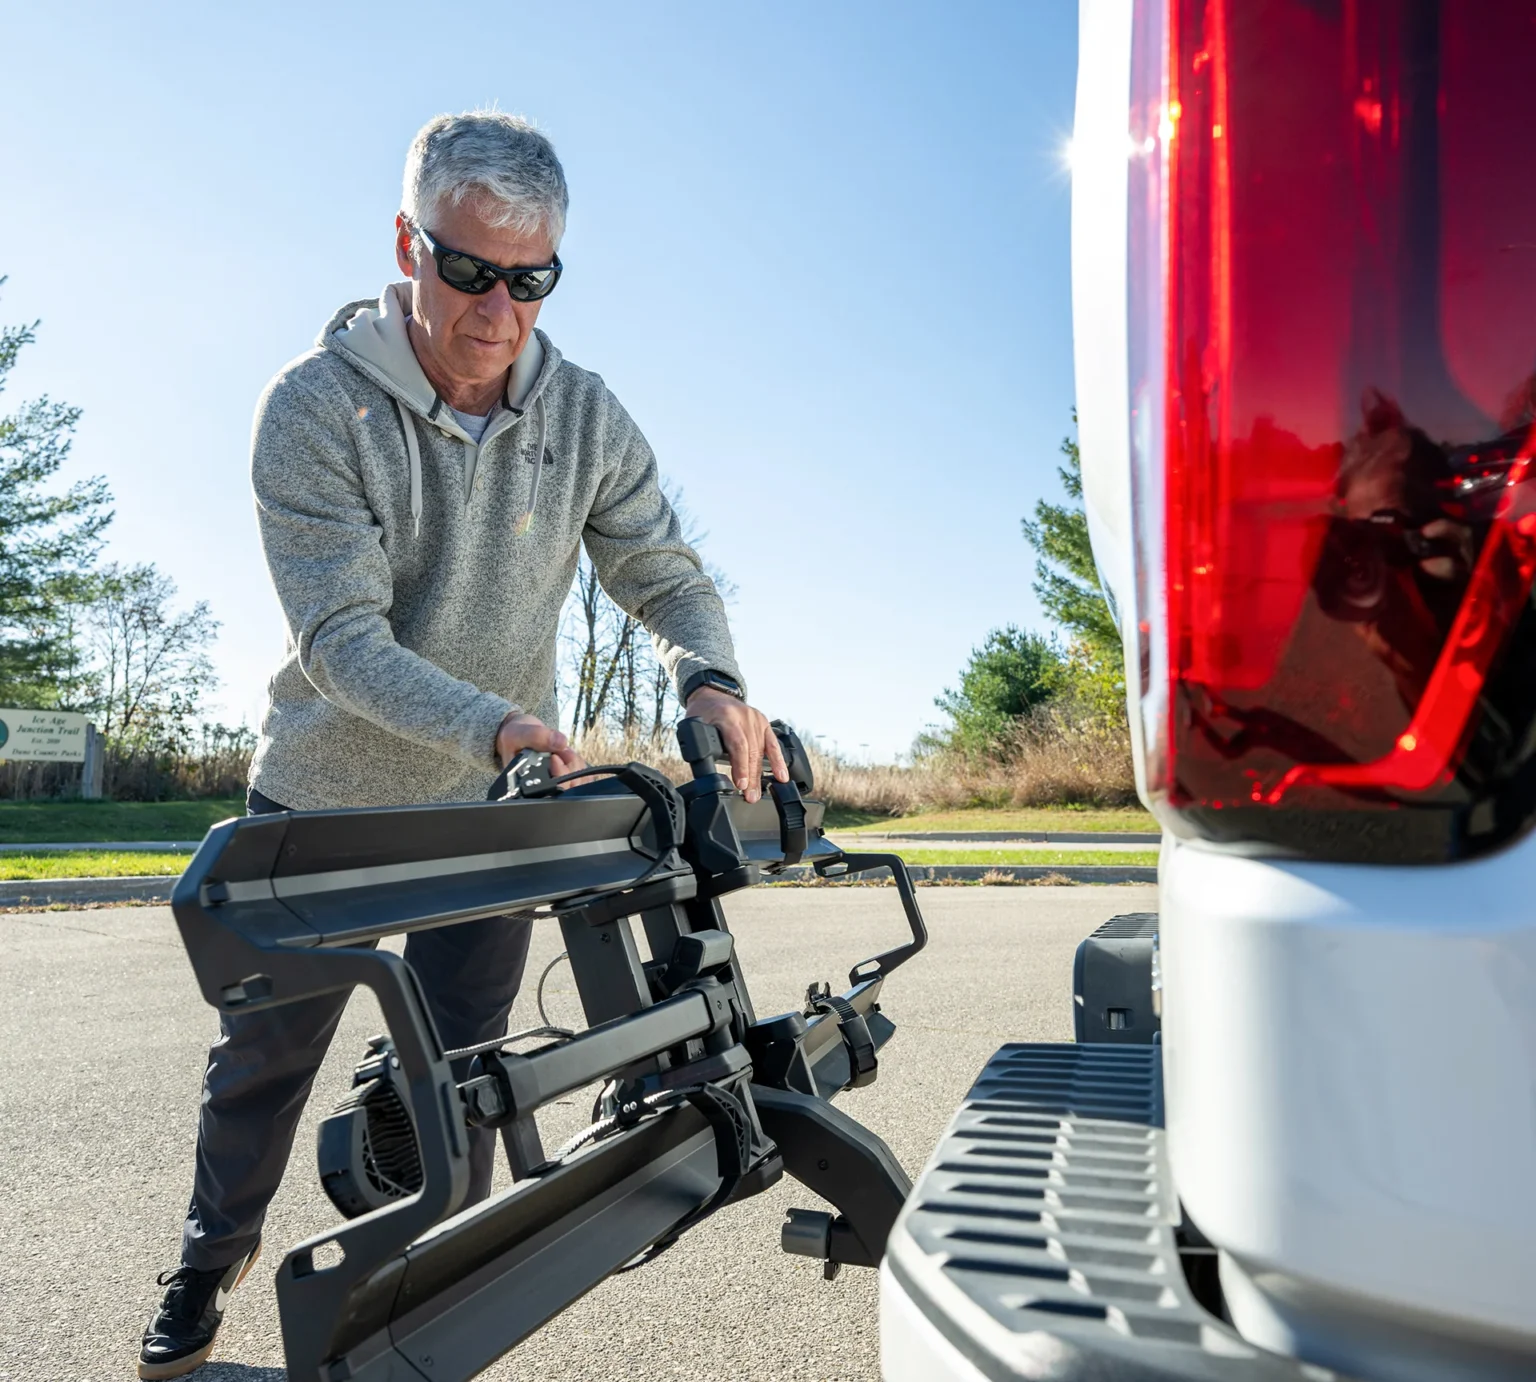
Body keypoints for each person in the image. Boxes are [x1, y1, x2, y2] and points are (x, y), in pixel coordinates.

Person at [139, 110, 787, 1380]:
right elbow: (339, 635)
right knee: (263, 1064)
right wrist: (491, 720)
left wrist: (710, 676)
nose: (500, 311)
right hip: (326, 798)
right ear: (408, 245)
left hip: (493, 803)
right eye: (471, 271)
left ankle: (418, 1320)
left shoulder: (583, 415)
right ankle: (206, 1268)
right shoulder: (316, 406)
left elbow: (662, 566)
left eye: (532, 279)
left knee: (467, 1077)